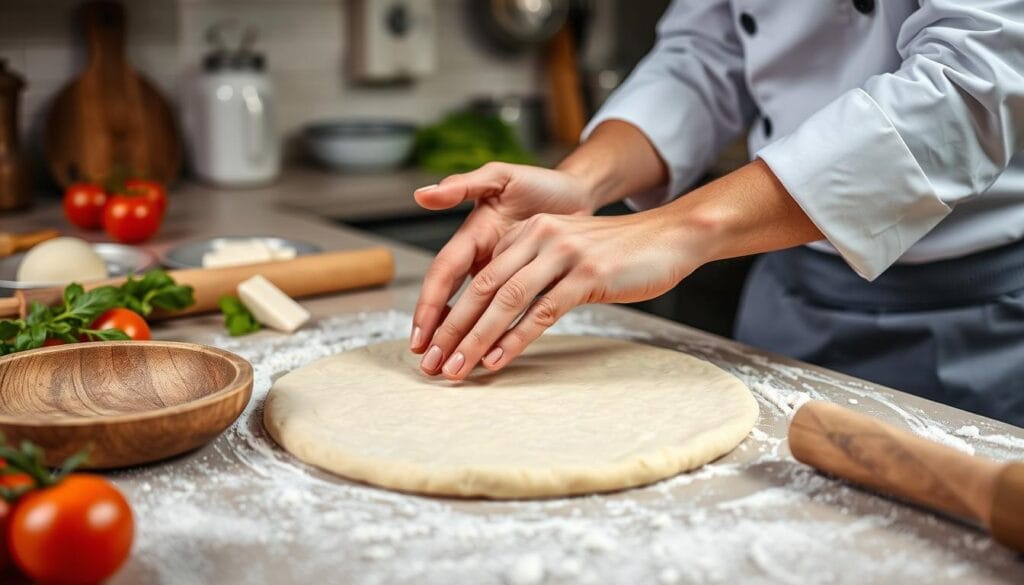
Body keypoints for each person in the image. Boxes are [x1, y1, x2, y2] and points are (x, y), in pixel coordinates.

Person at [408, 1, 1024, 427]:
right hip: (786, 304)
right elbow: (705, 55)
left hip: (976, 323)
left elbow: (970, 86)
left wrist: (679, 230)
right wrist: (581, 180)